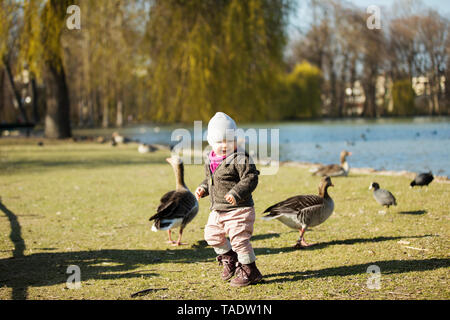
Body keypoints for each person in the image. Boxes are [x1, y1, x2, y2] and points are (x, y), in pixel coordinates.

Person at [195, 112, 262, 287]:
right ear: (210, 141)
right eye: (219, 141)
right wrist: (203, 187)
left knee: (240, 240)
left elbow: (250, 178)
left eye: (229, 140)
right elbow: (213, 180)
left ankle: (250, 270)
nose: (224, 145)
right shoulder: (211, 159)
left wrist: (236, 193)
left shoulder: (241, 158)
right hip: (218, 209)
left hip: (239, 209)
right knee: (211, 236)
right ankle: (229, 257)